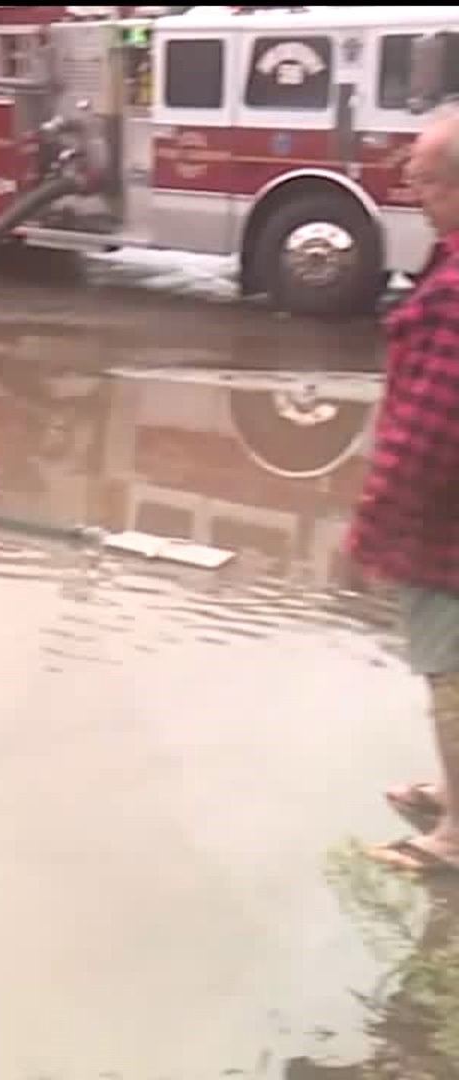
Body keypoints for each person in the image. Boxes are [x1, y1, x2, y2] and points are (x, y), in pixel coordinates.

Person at [348, 104, 459, 874]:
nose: (410, 190)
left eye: (419, 178)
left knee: (450, 673)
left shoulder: (452, 294)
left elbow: (426, 430)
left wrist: (367, 528)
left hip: (447, 534)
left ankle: (456, 837)